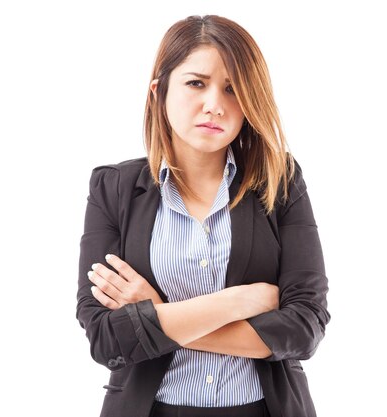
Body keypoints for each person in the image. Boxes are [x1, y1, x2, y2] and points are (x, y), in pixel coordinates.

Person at [76, 14, 330, 417]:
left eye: (233, 89)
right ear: (159, 91)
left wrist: (156, 313)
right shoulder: (114, 188)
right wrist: (237, 301)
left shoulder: (280, 181)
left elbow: (304, 329)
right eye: (196, 83)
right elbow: (106, 339)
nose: (215, 105)